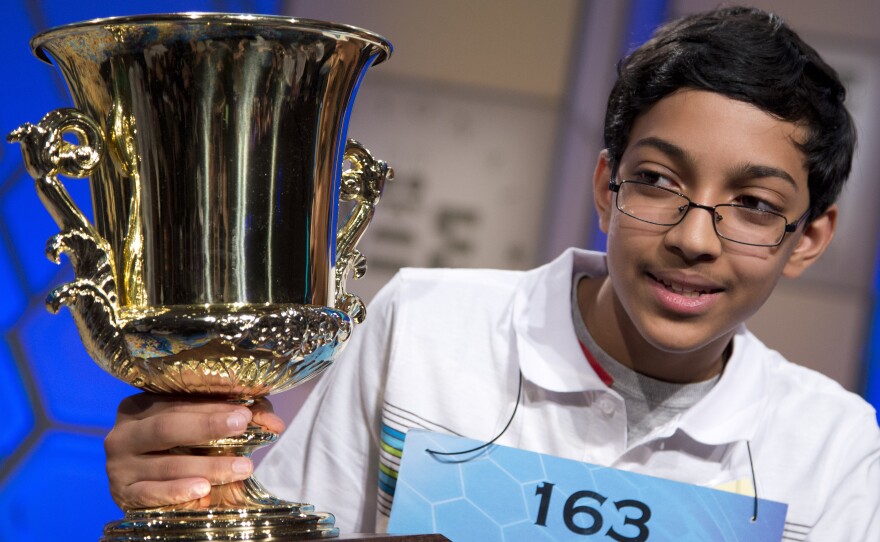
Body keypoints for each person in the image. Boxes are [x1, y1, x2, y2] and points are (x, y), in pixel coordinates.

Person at [104, 6, 880, 540]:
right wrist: (184, 496)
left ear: (809, 238)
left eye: (751, 203)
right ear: (606, 189)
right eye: (659, 182)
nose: (694, 239)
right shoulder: (428, 324)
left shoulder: (834, 446)